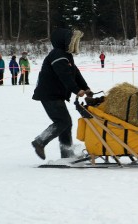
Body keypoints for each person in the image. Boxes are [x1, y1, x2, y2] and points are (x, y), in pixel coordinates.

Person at [31, 28, 93, 160]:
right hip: (49, 94)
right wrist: (77, 90)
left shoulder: (65, 55)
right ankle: (40, 142)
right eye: (72, 40)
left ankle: (67, 153)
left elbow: (75, 73)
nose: (74, 42)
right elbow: (64, 75)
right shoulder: (58, 55)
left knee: (66, 122)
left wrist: (85, 88)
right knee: (62, 121)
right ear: (64, 41)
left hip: (55, 94)